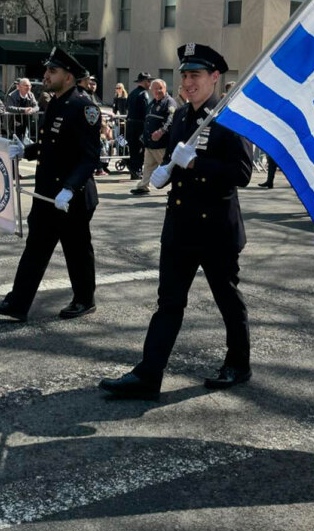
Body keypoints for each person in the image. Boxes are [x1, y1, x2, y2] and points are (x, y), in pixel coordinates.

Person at [100, 43, 254, 400]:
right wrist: (166, 172)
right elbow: (173, 158)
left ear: (214, 78)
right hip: (180, 226)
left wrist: (195, 164)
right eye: (184, 75)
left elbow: (242, 173)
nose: (187, 82)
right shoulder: (182, 116)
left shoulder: (229, 116)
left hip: (215, 228)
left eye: (195, 75)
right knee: (168, 303)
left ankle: (238, 363)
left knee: (227, 300)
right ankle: (148, 375)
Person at [0, 47, 101, 323]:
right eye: (47, 70)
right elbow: (54, 146)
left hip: (71, 196)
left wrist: (70, 188)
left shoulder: (85, 107)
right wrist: (28, 150)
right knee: (35, 248)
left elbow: (89, 156)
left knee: (77, 250)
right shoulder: (56, 102)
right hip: (48, 193)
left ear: (69, 77)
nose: (46, 75)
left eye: (52, 71)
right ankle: (18, 302)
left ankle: (85, 299)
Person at [131, 78, 177, 195]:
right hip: (149, 143)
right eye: (155, 89)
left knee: (167, 167)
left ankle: (176, 188)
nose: (158, 91)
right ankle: (143, 186)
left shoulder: (169, 102)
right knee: (148, 166)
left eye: (160, 88)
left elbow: (170, 120)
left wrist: (161, 131)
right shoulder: (152, 103)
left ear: (165, 89)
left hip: (161, 144)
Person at [125, 72, 152, 179]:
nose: (150, 84)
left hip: (130, 124)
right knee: (140, 148)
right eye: (149, 81)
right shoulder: (144, 94)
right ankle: (136, 169)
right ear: (144, 82)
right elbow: (147, 111)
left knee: (133, 148)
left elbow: (127, 107)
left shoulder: (132, 93)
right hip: (140, 125)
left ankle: (134, 169)